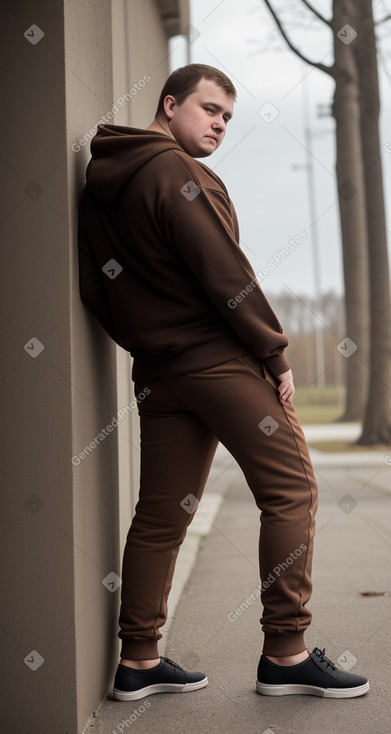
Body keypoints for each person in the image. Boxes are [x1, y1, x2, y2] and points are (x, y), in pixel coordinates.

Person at [78, 63, 369, 701]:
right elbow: (224, 269)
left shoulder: (104, 182)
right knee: (292, 489)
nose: (219, 126)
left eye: (228, 118)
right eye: (210, 110)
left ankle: (140, 661)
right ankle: (287, 654)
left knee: (160, 515)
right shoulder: (174, 171)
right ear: (169, 103)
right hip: (216, 361)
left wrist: (150, 346)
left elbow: (96, 289)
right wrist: (274, 351)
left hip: (160, 371)